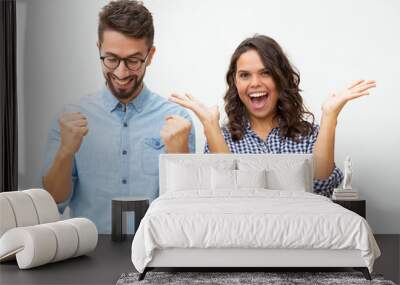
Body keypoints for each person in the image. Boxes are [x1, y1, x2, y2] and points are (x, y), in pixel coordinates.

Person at [42, 0, 195, 233]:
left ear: (150, 55)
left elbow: (188, 211)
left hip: (157, 253)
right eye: (111, 59)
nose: (121, 73)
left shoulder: (177, 120)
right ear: (99, 49)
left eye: (133, 60)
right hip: (89, 255)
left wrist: (180, 156)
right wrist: (66, 151)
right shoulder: (70, 119)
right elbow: (53, 202)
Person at [169, 35, 376, 197]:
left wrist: (330, 117)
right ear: (235, 83)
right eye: (245, 75)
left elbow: (319, 184)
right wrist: (209, 126)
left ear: (281, 78)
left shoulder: (308, 135)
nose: (255, 83)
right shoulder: (220, 139)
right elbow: (229, 192)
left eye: (265, 72)